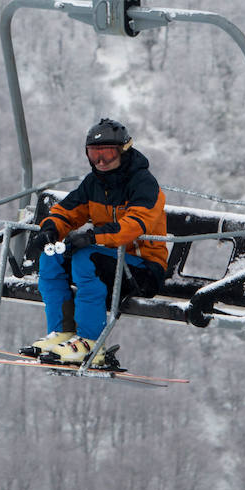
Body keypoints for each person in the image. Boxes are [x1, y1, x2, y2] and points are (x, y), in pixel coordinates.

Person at [21, 118, 169, 365]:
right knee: (51, 256)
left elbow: (133, 225)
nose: (101, 162)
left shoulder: (144, 184)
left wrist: (91, 237)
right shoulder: (94, 183)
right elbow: (67, 211)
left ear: (123, 151)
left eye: (108, 155)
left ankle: (91, 342)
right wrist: (50, 229)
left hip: (144, 270)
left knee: (85, 256)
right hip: (108, 264)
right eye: (94, 154)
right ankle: (63, 333)